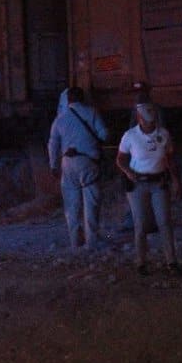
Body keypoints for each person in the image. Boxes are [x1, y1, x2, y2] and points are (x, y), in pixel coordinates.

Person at [116, 103, 182, 275]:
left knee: (165, 222)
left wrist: (176, 181)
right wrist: (128, 172)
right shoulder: (130, 136)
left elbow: (170, 159)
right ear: (139, 119)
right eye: (146, 121)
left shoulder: (163, 134)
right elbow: (121, 159)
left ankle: (171, 261)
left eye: (151, 121)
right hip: (138, 183)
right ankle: (141, 263)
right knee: (141, 224)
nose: (149, 124)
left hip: (159, 182)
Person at [47, 87, 109, 250]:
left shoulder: (59, 119)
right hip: (88, 161)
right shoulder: (92, 112)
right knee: (91, 203)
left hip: (67, 163)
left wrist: (53, 165)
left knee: (71, 206)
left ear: (68, 100)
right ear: (83, 98)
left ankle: (75, 241)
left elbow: (53, 144)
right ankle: (92, 241)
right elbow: (104, 134)